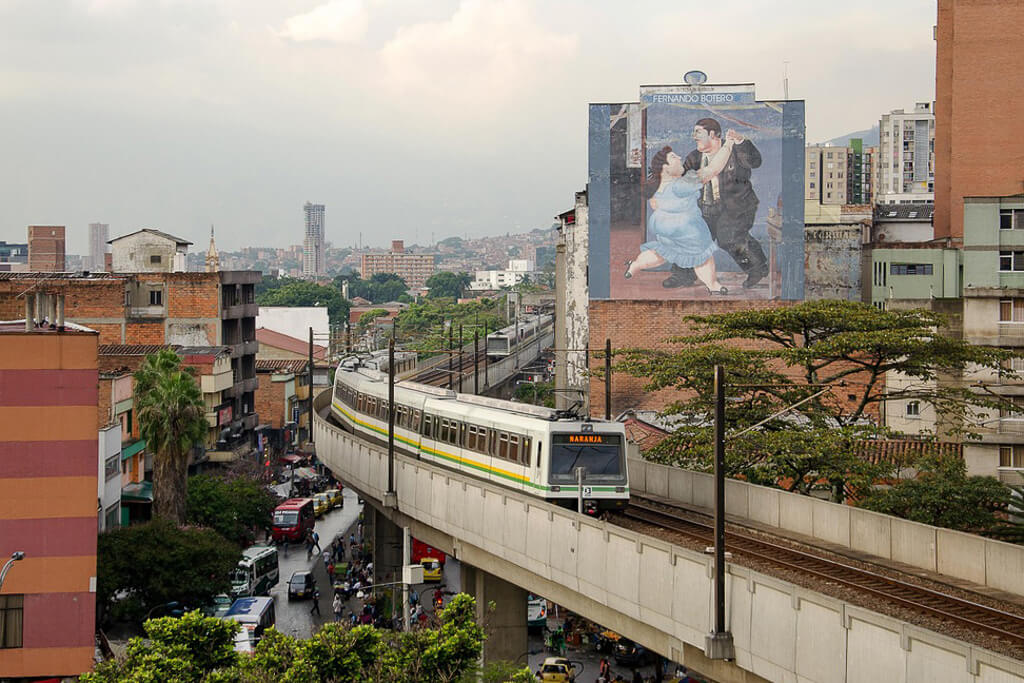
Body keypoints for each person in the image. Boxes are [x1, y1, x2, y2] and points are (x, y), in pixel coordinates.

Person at [663, 118, 767, 289]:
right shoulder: (694, 156)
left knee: (729, 237)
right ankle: (683, 275)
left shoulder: (734, 149)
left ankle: (758, 268)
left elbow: (755, 162)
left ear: (712, 134)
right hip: (705, 206)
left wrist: (741, 142)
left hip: (736, 205)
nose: (694, 136)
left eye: (698, 132)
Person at [625, 144, 731, 294]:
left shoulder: (658, 185)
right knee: (701, 255)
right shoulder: (681, 184)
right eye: (674, 157)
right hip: (685, 228)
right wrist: (728, 145)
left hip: (662, 226)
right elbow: (713, 169)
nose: (680, 158)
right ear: (665, 168)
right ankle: (712, 284)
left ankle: (636, 264)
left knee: (663, 252)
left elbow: (655, 204)